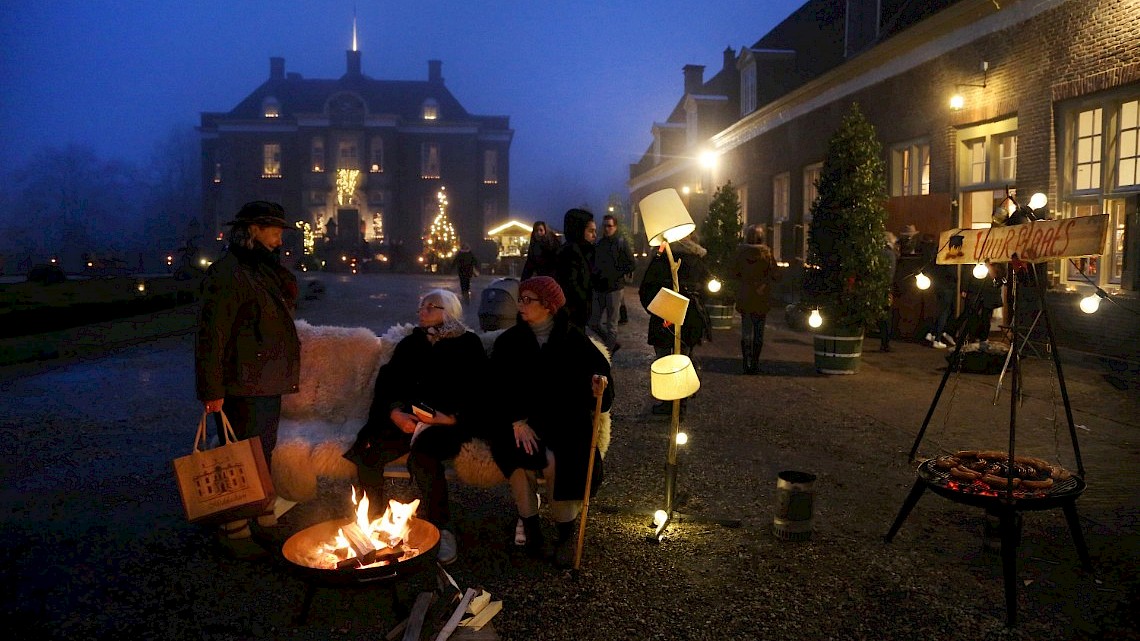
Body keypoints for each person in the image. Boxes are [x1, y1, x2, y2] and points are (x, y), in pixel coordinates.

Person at [343, 289, 488, 565]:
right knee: (369, 450)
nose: (422, 312)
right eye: (421, 307)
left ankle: (441, 527)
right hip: (408, 419)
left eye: (430, 307)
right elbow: (388, 382)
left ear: (449, 312)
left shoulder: (468, 344)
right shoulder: (412, 344)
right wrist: (395, 412)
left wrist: (451, 418)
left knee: (425, 458)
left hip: (445, 423)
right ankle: (373, 523)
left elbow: (480, 390)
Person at [195, 200, 300, 559]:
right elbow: (212, 335)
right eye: (273, 229)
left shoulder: (260, 267)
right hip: (241, 381)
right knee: (236, 454)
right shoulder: (230, 272)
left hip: (263, 379)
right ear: (253, 229)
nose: (278, 237)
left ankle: (262, 515)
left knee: (260, 451)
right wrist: (212, 390)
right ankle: (234, 527)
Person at [487, 276, 612, 567]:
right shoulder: (510, 341)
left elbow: (601, 379)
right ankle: (530, 526)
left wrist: (598, 387)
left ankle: (565, 530)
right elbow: (496, 386)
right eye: (520, 299)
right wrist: (516, 420)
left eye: (527, 300)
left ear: (549, 305)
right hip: (520, 421)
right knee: (517, 457)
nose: (521, 305)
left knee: (558, 460)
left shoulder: (574, 340)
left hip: (564, 420)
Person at [639, 235, 711, 414]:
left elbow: (646, 288)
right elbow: (708, 286)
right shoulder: (697, 259)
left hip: (664, 313)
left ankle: (669, 401)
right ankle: (681, 402)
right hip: (689, 315)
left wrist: (656, 308)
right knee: (683, 357)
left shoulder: (661, 258)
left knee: (664, 358)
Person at [728, 224, 779, 373]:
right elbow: (776, 274)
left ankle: (746, 362)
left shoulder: (741, 253)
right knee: (759, 331)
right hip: (761, 296)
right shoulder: (767, 254)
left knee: (746, 330)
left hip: (745, 294)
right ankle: (755, 364)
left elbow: (734, 272)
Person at [589, 214, 636, 355]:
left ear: (615, 227)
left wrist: (616, 273)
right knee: (593, 322)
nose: (607, 228)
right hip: (599, 288)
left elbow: (631, 264)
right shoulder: (599, 243)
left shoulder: (621, 243)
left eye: (609, 226)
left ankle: (607, 354)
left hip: (614, 289)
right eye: (604, 226)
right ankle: (612, 345)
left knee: (612, 325)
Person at [555, 208, 597, 330]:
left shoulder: (584, 251)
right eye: (591, 231)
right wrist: (584, 302)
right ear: (579, 231)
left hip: (578, 315)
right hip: (571, 315)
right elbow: (572, 285)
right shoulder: (571, 252)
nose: (594, 235)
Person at [921, 234, 958, 350]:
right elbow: (951, 274)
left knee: (941, 311)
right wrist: (956, 279)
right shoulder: (949, 256)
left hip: (938, 286)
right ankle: (937, 338)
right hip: (947, 287)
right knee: (944, 312)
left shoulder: (937, 254)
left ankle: (932, 334)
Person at [877, 232, 899, 352]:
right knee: (886, 316)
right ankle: (885, 343)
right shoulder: (890, 254)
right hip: (885, 288)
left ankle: (884, 342)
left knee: (882, 316)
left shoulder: (879, 252)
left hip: (878, 286)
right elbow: (890, 274)